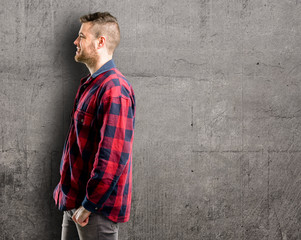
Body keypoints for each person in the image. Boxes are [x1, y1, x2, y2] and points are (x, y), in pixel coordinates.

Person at [53, 12, 135, 240]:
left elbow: (112, 158)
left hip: (93, 211)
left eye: (81, 36)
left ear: (101, 42)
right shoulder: (91, 85)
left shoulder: (115, 90)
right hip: (74, 204)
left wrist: (88, 205)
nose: (75, 42)